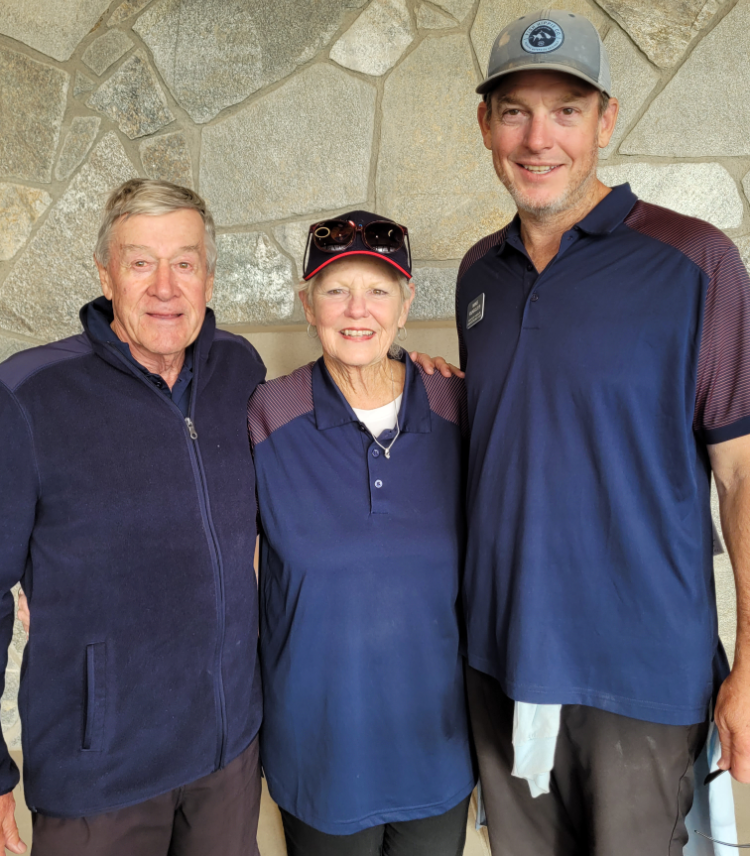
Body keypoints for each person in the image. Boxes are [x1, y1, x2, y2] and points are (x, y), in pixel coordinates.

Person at [418, 9, 750, 855]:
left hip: (639, 675)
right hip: (500, 659)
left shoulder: (696, 262)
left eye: (566, 109)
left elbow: (742, 476)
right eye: (515, 111)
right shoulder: (476, 275)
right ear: (485, 125)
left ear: (606, 119)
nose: (539, 138)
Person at [0, 179, 266, 856]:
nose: (165, 287)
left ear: (208, 274)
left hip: (226, 755)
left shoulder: (240, 368)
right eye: (140, 262)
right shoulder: (29, 393)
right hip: (101, 775)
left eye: (184, 262)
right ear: (105, 274)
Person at [247, 211, 475, 856]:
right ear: (306, 303)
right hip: (318, 749)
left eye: (379, 290)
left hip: (437, 745)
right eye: (335, 289)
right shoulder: (266, 413)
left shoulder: (462, 407)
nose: (358, 310)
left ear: (406, 306)